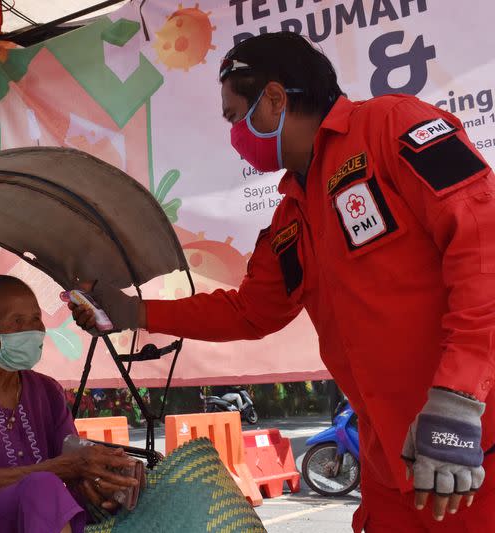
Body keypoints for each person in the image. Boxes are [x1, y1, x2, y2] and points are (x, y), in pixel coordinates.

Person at [70, 32, 495, 532]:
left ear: (274, 98)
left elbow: (482, 245)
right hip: (393, 465)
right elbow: (251, 311)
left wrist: (457, 400)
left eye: (234, 116)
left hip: (473, 441)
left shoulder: (391, 126)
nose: (234, 136)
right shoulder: (290, 217)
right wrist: (132, 313)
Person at [0, 275, 139, 533]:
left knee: (115, 492)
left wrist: (97, 479)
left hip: (37, 515)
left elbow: (72, 460)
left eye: (36, 319)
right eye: (17, 321)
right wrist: (70, 467)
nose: (32, 330)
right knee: (43, 487)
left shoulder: (48, 390)